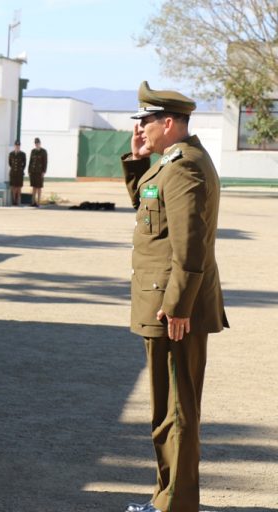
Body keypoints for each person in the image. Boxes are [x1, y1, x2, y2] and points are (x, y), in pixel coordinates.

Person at [121, 81, 228, 512]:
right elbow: (148, 209)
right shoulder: (170, 163)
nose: (141, 128)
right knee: (167, 410)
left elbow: (190, 243)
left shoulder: (185, 167)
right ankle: (166, 498)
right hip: (163, 302)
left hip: (172, 307)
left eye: (146, 122)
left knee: (177, 413)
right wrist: (137, 160)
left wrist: (180, 305)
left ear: (168, 122)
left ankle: (175, 506)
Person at [27, 137, 47, 207]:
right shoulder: (33, 151)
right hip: (33, 172)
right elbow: (30, 161)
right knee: (34, 187)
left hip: (39, 172)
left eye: (38, 143)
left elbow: (45, 162)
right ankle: (33, 202)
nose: (37, 144)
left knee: (39, 187)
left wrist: (44, 171)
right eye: (35, 143)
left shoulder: (43, 151)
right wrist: (29, 170)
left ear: (40, 143)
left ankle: (38, 202)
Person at [8, 140, 26, 206]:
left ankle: (18, 200)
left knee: (19, 187)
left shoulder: (23, 154)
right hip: (13, 173)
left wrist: (21, 170)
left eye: (18, 145)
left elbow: (24, 164)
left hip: (19, 173)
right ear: (14, 146)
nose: (17, 147)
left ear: (20, 146)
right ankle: (14, 201)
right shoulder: (11, 154)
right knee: (13, 187)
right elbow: (10, 163)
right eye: (16, 145)